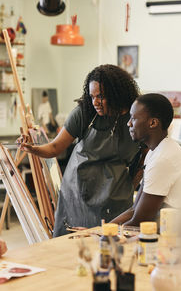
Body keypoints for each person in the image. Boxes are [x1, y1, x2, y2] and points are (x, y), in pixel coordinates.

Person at [19, 64, 140, 237]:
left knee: (110, 248)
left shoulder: (134, 117)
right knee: (71, 247)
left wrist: (131, 184)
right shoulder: (85, 113)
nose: (95, 102)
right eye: (92, 96)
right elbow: (54, 147)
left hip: (116, 197)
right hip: (78, 194)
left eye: (101, 96)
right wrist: (32, 148)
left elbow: (143, 158)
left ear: (117, 94)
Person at [111, 93, 181, 226]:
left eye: (133, 118)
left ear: (153, 123)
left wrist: (104, 236)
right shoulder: (155, 152)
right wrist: (102, 229)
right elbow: (134, 210)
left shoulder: (163, 158)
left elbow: (140, 221)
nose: (128, 123)